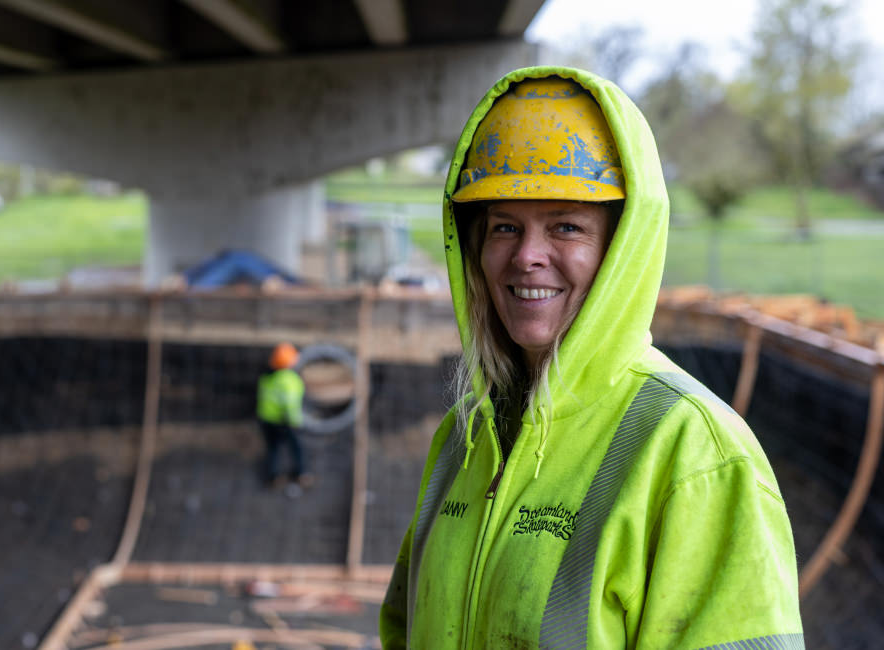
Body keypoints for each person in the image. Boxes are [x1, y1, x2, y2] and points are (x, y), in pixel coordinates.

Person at [379, 67, 804, 648]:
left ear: (621, 250)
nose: (527, 256)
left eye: (567, 227)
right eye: (505, 226)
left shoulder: (698, 455)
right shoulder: (465, 436)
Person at [256, 342, 312, 491]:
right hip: (284, 420)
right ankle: (300, 473)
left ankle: (274, 476)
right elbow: (290, 404)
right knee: (296, 447)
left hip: (267, 419)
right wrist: (295, 421)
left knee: (273, 448)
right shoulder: (290, 380)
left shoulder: (267, 376)